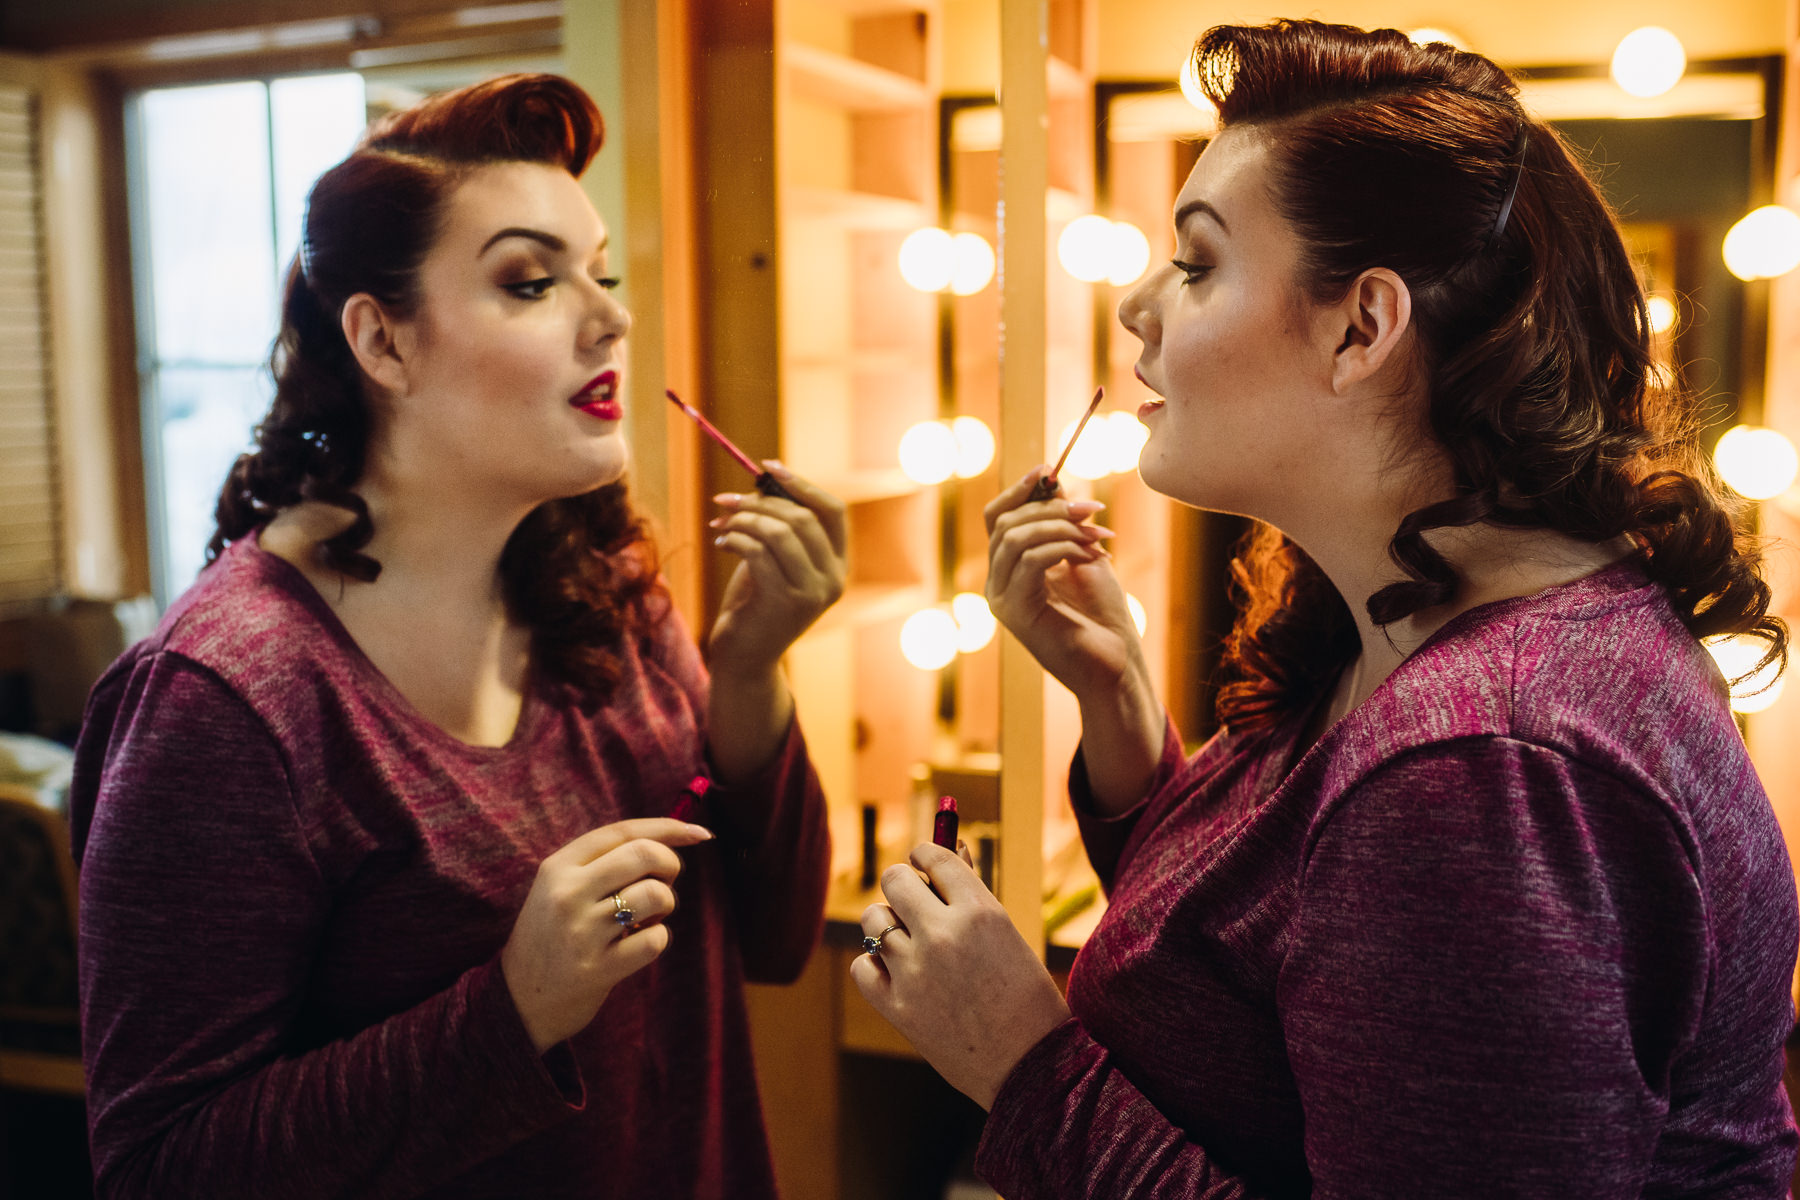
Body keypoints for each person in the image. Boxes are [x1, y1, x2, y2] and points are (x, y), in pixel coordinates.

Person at [851, 20, 1798, 1198]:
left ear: (1363, 328)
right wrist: (1116, 694)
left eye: (1196, 265)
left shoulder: (1481, 763)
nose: (1141, 305)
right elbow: (1264, 968)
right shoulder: (1427, 631)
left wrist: (1021, 1063)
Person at [70, 74, 845, 1199]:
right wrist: (513, 1011)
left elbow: (772, 942)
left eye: (602, 271)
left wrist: (748, 674)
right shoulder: (227, 699)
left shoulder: (609, 590)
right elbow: (158, 1169)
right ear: (383, 344)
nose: (610, 314)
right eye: (532, 281)